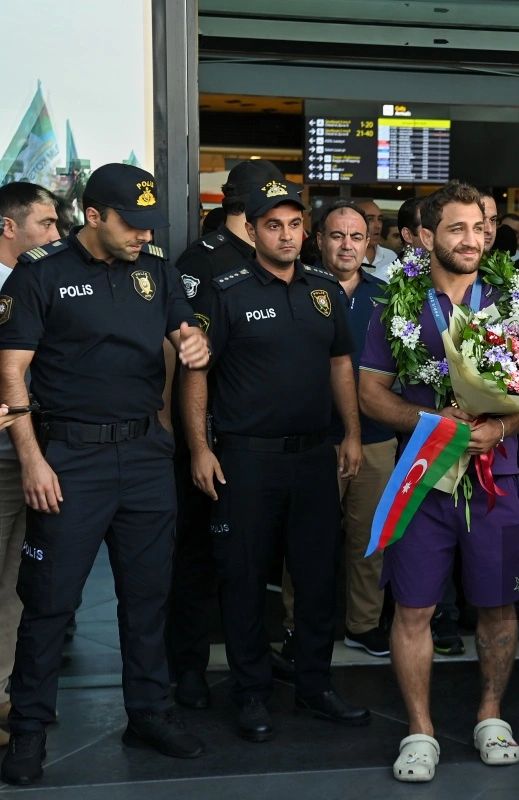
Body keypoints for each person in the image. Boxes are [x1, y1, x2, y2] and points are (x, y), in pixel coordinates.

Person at [0, 164, 210, 785]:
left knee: (147, 597)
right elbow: (11, 371)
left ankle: (149, 712)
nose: (144, 235)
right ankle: (31, 728)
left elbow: (187, 333)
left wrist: (196, 345)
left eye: (151, 225)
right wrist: (34, 457)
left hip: (146, 455)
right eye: (131, 224)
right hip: (70, 459)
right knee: (50, 601)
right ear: (92, 216)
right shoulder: (42, 273)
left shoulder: (156, 270)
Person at [358, 180, 519, 783]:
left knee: (499, 604)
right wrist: (433, 423)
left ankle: (491, 715)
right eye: (456, 229)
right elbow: (369, 393)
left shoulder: (512, 301)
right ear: (427, 236)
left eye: (480, 228)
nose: (472, 239)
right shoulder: (398, 304)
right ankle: (420, 730)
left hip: (495, 476)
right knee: (412, 609)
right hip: (423, 475)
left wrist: (499, 429)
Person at [184, 178, 369, 743]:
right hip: (246, 460)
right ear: (251, 229)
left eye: (294, 224)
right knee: (242, 580)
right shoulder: (226, 289)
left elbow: (341, 364)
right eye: (273, 225)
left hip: (315, 456)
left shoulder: (322, 289)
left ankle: (315, 686)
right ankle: (251, 693)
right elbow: (196, 373)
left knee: (316, 580)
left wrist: (353, 435)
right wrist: (199, 447)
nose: (286, 235)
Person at [167, 158, 285, 709]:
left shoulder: (274, 257)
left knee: (254, 557)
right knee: (197, 553)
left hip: (260, 437)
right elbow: (183, 356)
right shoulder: (203, 259)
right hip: (210, 435)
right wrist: (195, 441)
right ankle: (187, 665)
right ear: (246, 210)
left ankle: (257, 654)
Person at [277, 201, 396, 659]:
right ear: (319, 240)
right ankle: (296, 626)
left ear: (369, 244)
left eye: (356, 237)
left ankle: (363, 625)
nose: (347, 245)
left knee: (371, 540)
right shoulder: (296, 289)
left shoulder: (388, 295)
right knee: (306, 540)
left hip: (377, 438)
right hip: (313, 438)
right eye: (337, 235)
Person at [0, 182, 60, 748]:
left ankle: (4, 694)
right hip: (4, 456)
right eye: (46, 223)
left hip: (39, 453)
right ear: (9, 227)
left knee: (21, 583)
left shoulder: (43, 282)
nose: (56, 235)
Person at [355, 199, 398, 270]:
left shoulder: (390, 257)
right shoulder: (344, 257)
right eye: (370, 219)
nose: (378, 225)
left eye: (380, 219)